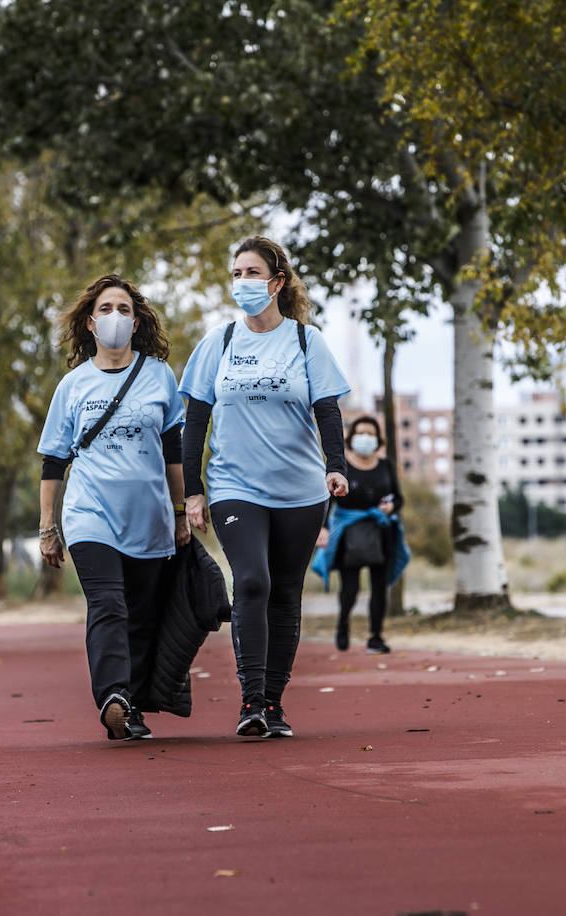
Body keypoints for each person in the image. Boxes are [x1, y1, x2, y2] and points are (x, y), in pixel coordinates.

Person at [181, 236, 351, 739]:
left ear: (277, 282)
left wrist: (336, 465)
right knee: (252, 581)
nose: (242, 283)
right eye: (236, 274)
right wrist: (194, 491)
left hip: (301, 490)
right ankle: (250, 699)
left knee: (286, 593)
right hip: (236, 486)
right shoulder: (219, 342)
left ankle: (273, 703)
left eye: (252, 273)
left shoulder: (306, 341)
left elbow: (327, 409)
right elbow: (195, 423)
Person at [37, 274, 188, 741]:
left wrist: (182, 512)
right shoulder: (73, 384)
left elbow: (173, 451)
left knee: (143, 613)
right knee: (108, 604)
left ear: (137, 320)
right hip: (89, 513)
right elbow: (54, 460)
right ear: (89, 323)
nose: (115, 318)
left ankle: (135, 707)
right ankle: (113, 698)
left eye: (124, 309)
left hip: (150, 517)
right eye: (106, 309)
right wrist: (48, 526)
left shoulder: (160, 375)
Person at [312, 416, 411, 654]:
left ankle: (376, 636)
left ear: (377, 440)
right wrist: (323, 528)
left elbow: (398, 497)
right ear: (351, 437)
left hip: (381, 530)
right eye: (360, 433)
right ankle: (343, 623)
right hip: (349, 531)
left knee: (380, 587)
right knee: (350, 587)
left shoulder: (385, 466)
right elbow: (329, 500)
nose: (365, 438)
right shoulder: (341, 465)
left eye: (370, 434)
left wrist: (391, 507)